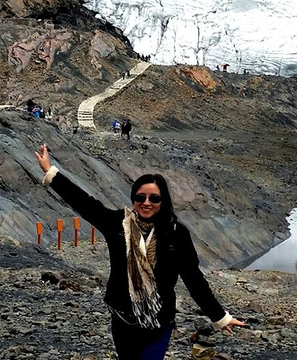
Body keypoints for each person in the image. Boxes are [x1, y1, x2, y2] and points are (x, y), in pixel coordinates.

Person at [34, 145, 244, 359]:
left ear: (163, 202)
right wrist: (50, 172)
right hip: (123, 319)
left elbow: (193, 279)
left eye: (154, 198)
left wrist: (219, 317)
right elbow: (85, 203)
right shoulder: (117, 224)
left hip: (159, 322)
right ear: (133, 198)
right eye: (140, 197)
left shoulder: (176, 233)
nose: (146, 203)